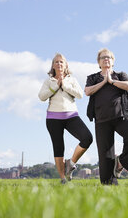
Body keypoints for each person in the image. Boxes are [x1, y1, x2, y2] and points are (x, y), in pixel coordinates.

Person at [85, 48, 128, 185]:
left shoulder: (120, 75)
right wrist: (104, 81)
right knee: (105, 156)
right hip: (101, 119)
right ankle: (109, 184)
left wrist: (111, 81)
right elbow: (87, 91)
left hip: (120, 116)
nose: (106, 59)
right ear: (99, 62)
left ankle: (121, 162)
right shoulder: (92, 78)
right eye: (103, 57)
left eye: (109, 57)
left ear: (113, 61)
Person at [38, 53, 93, 184]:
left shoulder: (71, 79)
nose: (59, 64)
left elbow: (80, 94)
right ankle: (63, 179)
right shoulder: (49, 81)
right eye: (56, 62)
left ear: (66, 65)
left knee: (87, 138)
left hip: (71, 116)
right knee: (58, 148)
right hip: (53, 118)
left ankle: (71, 163)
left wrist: (65, 85)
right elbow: (41, 97)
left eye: (61, 62)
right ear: (53, 65)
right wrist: (55, 86)